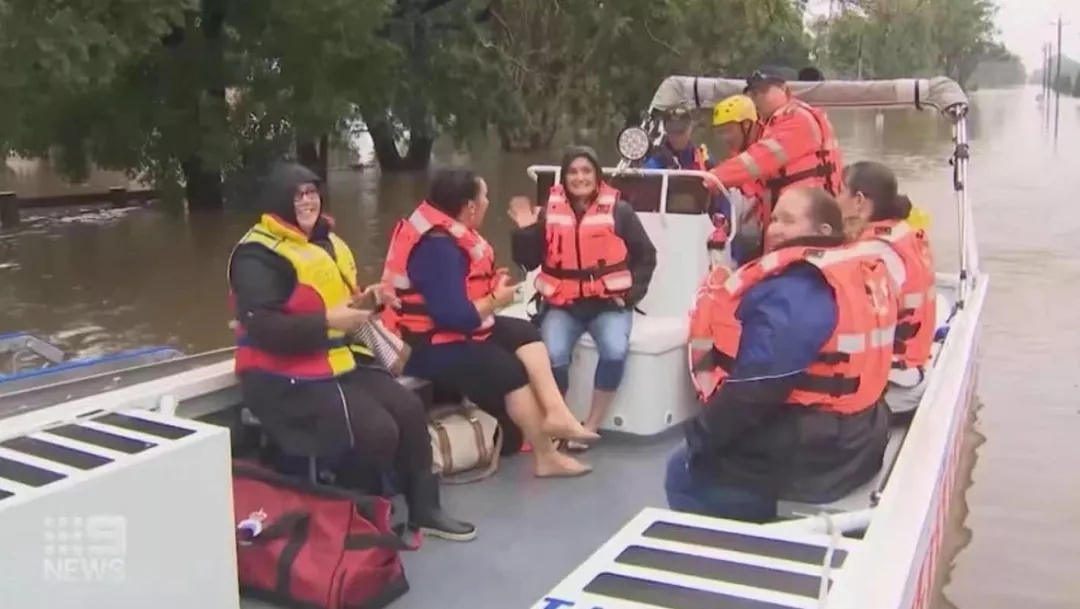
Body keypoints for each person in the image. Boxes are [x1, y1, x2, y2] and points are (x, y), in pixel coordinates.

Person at [227, 161, 476, 541]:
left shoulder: (329, 242)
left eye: (311, 192)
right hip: (280, 376)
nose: (307, 201)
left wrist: (370, 299)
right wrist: (329, 320)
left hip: (333, 361)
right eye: (298, 195)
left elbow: (344, 307)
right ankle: (356, 523)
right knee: (376, 430)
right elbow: (263, 328)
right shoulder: (256, 256)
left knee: (409, 410)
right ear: (278, 200)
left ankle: (425, 510)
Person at [669, 186, 896, 522]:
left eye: (788, 221)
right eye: (773, 218)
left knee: (681, 471)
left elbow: (755, 388)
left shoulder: (799, 288)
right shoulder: (854, 269)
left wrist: (699, 437)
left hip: (822, 459)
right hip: (861, 432)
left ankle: (725, 548)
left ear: (822, 232)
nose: (774, 228)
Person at [379, 166, 598, 478]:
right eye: (484, 197)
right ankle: (546, 456)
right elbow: (454, 317)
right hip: (422, 346)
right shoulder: (438, 248)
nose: (487, 202)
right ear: (469, 206)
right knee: (507, 369)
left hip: (445, 332)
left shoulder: (448, 233)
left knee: (524, 331)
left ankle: (557, 413)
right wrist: (496, 301)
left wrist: (491, 295)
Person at [511, 146, 658, 450]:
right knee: (553, 356)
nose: (580, 178)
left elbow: (647, 256)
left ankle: (591, 424)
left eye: (586, 171)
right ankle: (560, 419)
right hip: (563, 305)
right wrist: (525, 231)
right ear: (564, 178)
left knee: (615, 351)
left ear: (597, 175)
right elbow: (528, 262)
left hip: (609, 305)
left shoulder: (620, 211)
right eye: (573, 172)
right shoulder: (548, 213)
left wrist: (630, 295)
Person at [836, 161, 936, 414]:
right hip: (911, 369)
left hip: (893, 384)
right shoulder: (901, 232)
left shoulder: (872, 253)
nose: (834, 200)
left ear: (859, 201)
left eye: (839, 192)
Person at [708, 67, 844, 231]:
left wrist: (712, 179)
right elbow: (755, 180)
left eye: (763, 91)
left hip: (808, 219)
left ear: (783, 89)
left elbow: (756, 160)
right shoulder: (773, 124)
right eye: (753, 94)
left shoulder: (796, 119)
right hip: (795, 216)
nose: (757, 99)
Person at [710, 94, 767, 265]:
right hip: (745, 238)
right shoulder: (737, 154)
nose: (725, 137)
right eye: (721, 132)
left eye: (729, 130)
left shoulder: (765, 150)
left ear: (747, 124)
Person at [644, 108, 715, 171]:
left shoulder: (704, 157)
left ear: (690, 129)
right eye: (672, 131)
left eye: (680, 132)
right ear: (666, 131)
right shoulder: (656, 161)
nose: (676, 137)